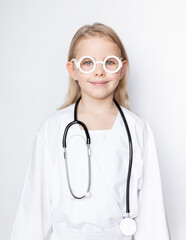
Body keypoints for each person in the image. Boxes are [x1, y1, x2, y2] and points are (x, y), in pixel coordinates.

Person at [10, 22, 170, 240]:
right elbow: (33, 211)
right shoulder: (52, 129)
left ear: (122, 69)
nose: (99, 71)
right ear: (73, 70)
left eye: (109, 62)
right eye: (88, 63)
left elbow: (152, 214)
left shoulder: (137, 129)